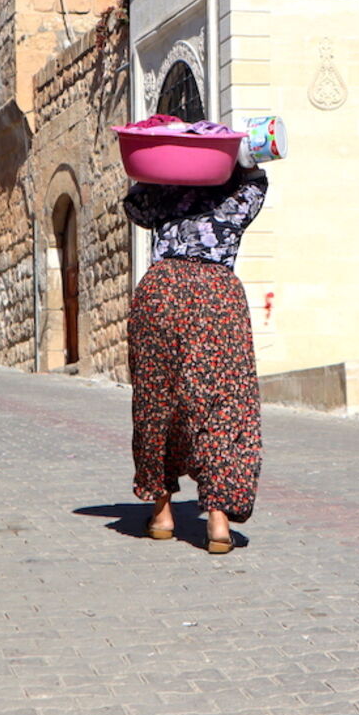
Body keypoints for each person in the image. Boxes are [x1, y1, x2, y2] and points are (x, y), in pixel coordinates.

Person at [121, 161, 268, 554]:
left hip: (161, 292)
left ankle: (162, 512)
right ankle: (218, 519)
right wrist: (240, 161)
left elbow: (134, 206)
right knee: (224, 402)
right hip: (216, 297)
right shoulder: (235, 194)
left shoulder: (160, 193)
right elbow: (258, 181)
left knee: (158, 400)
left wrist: (154, 171)